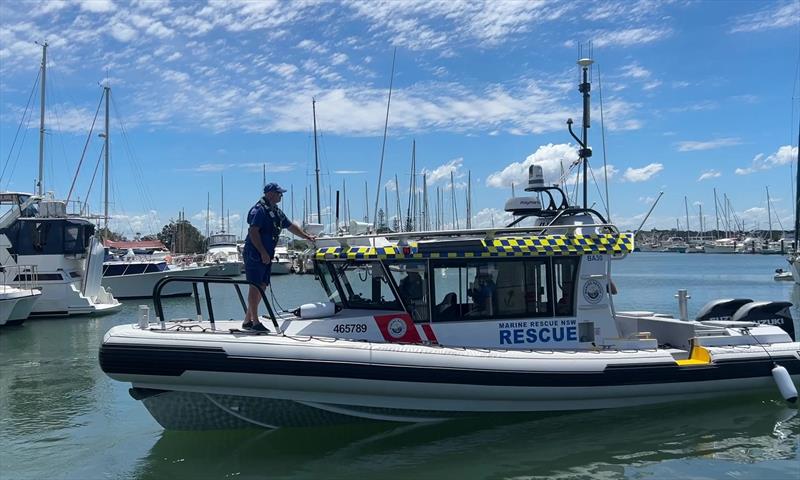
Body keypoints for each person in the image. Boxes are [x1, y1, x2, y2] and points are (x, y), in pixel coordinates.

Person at [242, 182, 315, 331]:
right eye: (279, 193)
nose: (281, 196)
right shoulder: (259, 210)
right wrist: (262, 252)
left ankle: (247, 319)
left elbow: (289, 226)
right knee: (255, 285)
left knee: (262, 285)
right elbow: (253, 232)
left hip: (267, 254)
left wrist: (306, 236)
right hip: (255, 253)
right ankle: (254, 322)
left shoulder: (276, 211)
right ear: (270, 194)